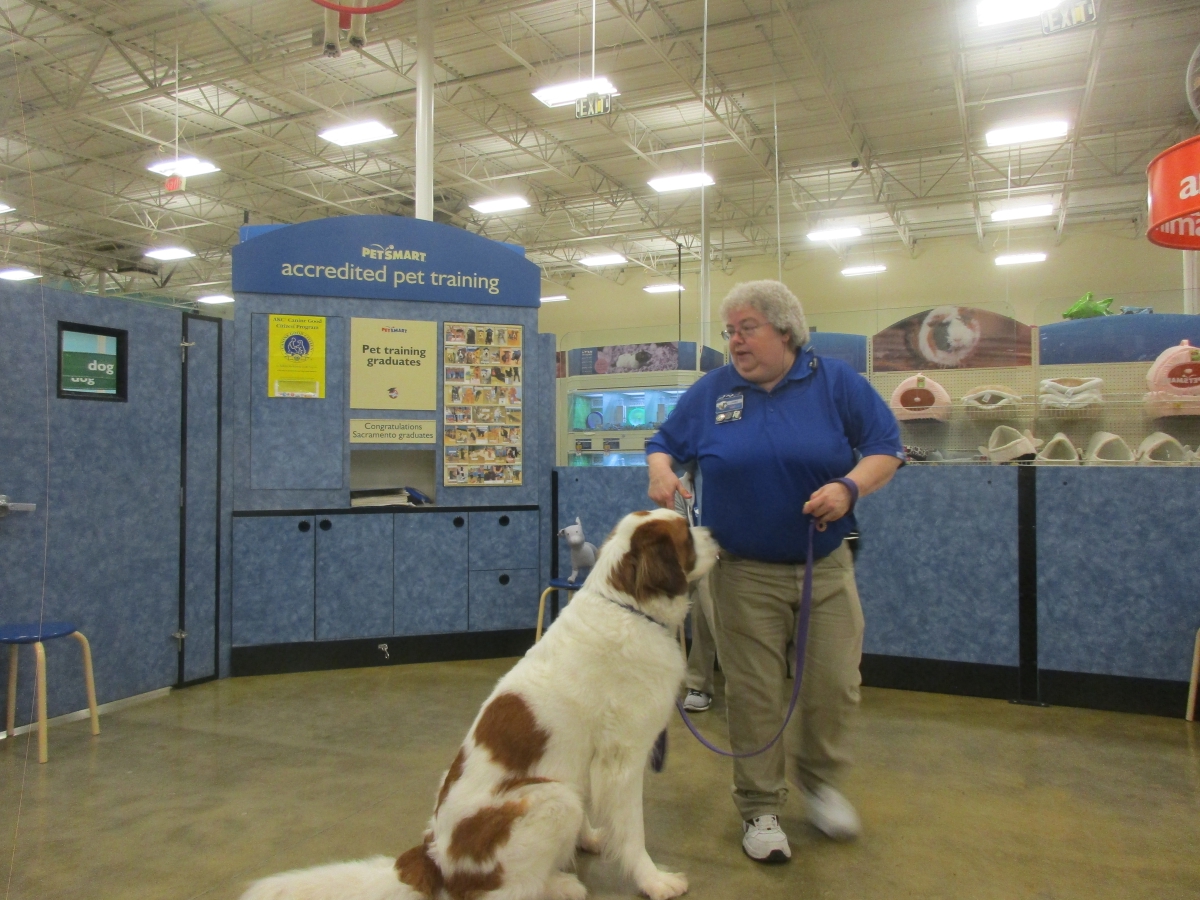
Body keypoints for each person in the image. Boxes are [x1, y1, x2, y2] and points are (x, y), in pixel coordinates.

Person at [646, 280, 903, 864]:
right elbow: (663, 442)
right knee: (754, 694)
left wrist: (849, 487)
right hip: (741, 574)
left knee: (835, 685)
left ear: (785, 331)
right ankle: (760, 807)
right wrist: (661, 470)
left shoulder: (836, 382)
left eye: (747, 328)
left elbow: (886, 447)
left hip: (824, 567)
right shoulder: (713, 390)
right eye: (729, 331)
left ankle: (821, 784)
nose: (735, 341)